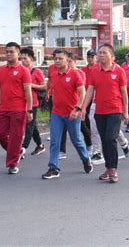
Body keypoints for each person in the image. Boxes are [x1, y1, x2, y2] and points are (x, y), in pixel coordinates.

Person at [42, 50, 93, 179]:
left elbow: (82, 93)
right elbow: (49, 85)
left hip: (72, 114)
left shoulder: (75, 75)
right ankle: (53, 167)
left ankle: (85, 159)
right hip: (56, 113)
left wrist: (77, 109)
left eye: (60, 58)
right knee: (54, 141)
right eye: (55, 59)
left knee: (76, 140)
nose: (57, 61)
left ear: (68, 61)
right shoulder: (53, 74)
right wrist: (48, 92)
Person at [82, 44, 128, 183]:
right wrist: (83, 107)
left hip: (114, 110)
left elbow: (124, 92)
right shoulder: (95, 71)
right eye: (99, 53)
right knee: (104, 141)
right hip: (99, 111)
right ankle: (108, 168)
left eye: (104, 53)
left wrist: (126, 111)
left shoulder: (119, 71)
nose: (101, 55)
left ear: (111, 56)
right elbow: (90, 90)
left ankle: (113, 169)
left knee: (110, 139)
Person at [0, 42, 33, 174]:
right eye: (7, 52)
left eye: (11, 52)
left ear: (18, 54)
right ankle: (16, 152)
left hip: (19, 110)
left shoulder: (23, 71)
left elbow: (28, 92)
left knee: (16, 137)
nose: (8, 54)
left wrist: (29, 110)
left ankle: (12, 163)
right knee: (0, 134)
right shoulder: (0, 70)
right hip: (3, 109)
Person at [19, 47, 46, 157]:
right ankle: (40, 145)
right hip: (21, 102)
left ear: (31, 59)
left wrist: (31, 86)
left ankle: (23, 148)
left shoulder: (36, 71)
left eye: (25, 58)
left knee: (29, 125)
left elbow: (44, 86)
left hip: (33, 102)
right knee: (32, 125)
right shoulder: (20, 70)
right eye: (22, 58)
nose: (23, 60)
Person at [82, 49, 103, 161]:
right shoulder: (84, 69)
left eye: (92, 56)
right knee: (86, 122)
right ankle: (92, 145)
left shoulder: (98, 68)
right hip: (85, 97)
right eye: (88, 56)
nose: (90, 58)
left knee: (94, 123)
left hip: (96, 99)